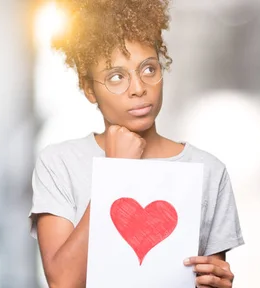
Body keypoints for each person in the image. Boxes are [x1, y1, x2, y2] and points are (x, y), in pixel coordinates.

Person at [28, 0, 244, 287]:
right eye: (116, 77)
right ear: (89, 89)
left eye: (149, 69)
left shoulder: (208, 170)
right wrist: (115, 173)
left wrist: (215, 282)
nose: (139, 88)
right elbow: (64, 282)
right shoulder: (59, 163)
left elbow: (206, 275)